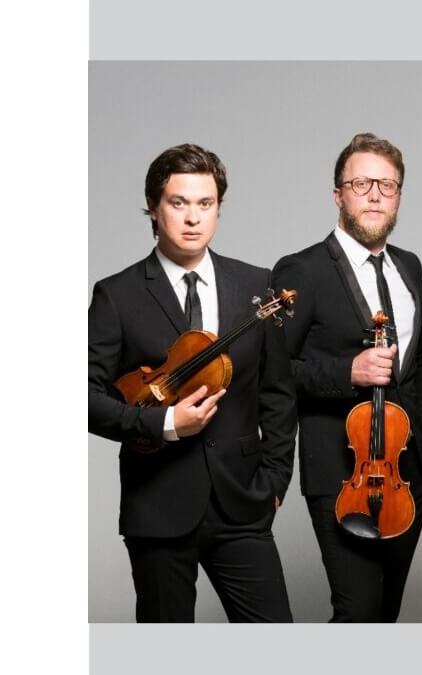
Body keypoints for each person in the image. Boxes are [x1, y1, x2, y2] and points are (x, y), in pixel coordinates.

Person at [88, 143, 295, 622]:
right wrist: (163, 423)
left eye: (205, 204)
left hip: (242, 503)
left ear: (219, 210)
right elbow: (84, 398)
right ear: (154, 210)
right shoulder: (116, 296)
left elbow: (278, 396)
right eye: (178, 203)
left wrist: (275, 481)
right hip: (157, 505)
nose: (192, 217)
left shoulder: (256, 287)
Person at [271, 132, 422, 622]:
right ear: (338, 194)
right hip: (342, 472)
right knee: (359, 610)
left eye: (387, 185)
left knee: (385, 612)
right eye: (361, 182)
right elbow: (273, 371)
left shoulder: (409, 266)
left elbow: (419, 359)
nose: (374, 194)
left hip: (408, 471)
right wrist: (349, 372)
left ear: (399, 198)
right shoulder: (301, 270)